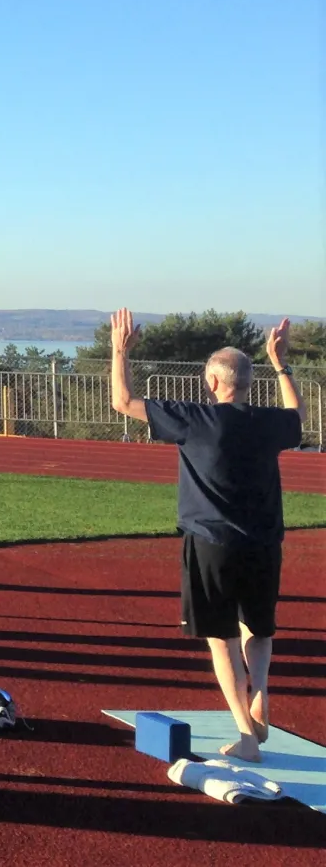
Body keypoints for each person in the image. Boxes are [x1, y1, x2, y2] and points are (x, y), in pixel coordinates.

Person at [108, 309, 302, 764]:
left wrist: (119, 351)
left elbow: (123, 401)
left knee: (222, 640)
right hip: (265, 543)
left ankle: (245, 735)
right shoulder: (268, 423)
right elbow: (298, 414)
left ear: (213, 383)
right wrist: (281, 363)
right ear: (249, 383)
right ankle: (262, 692)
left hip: (212, 544)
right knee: (259, 627)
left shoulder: (194, 420)